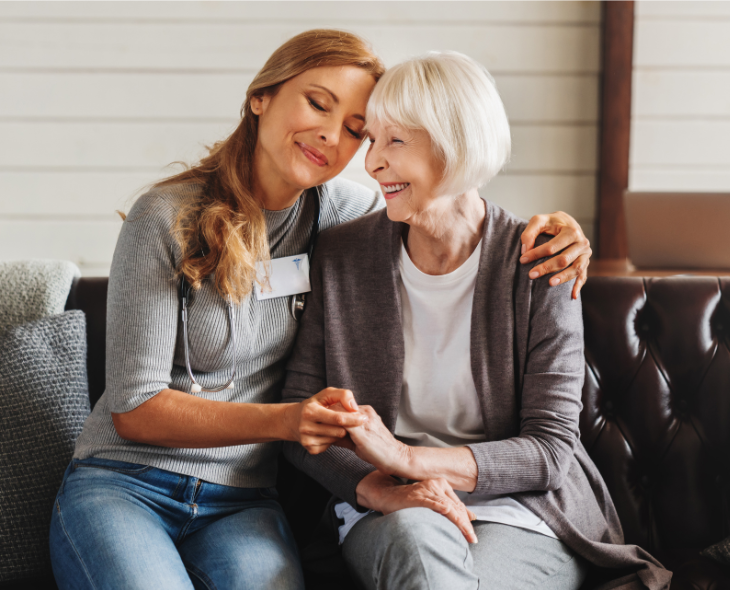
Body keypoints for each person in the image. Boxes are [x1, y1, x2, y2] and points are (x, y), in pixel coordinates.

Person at [49, 31, 594, 590]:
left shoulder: (345, 220)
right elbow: (135, 407)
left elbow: (449, 208)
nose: (342, 142)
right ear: (261, 96)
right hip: (127, 482)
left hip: (243, 500)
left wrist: (570, 236)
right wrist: (305, 429)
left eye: (359, 130)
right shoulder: (171, 218)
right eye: (317, 102)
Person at [281, 52, 671, 590]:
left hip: (524, 513)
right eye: (372, 140)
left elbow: (550, 450)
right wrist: (380, 482)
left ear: (456, 142)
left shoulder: (540, 261)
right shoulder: (342, 255)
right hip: (392, 508)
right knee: (417, 547)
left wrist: (403, 456)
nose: (371, 164)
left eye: (395, 141)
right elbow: (303, 414)